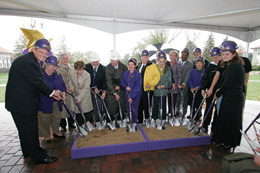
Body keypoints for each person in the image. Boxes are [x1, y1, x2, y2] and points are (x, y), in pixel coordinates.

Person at [5, 38, 61, 164]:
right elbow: (38, 81)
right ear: (34, 50)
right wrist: (52, 93)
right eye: (41, 52)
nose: (44, 55)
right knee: (30, 130)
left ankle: (28, 152)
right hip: (22, 104)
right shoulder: (27, 62)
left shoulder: (32, 61)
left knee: (24, 130)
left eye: (46, 53)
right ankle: (39, 157)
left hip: (21, 104)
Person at [213, 40, 245, 151]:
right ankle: (226, 140)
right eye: (223, 54)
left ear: (234, 54)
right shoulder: (233, 65)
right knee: (227, 119)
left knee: (229, 120)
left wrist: (218, 92)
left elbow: (228, 83)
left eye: (227, 54)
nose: (224, 56)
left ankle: (228, 142)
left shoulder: (233, 66)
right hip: (233, 96)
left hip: (232, 97)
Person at [38, 56, 66, 142]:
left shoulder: (58, 75)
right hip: (44, 101)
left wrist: (63, 95)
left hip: (57, 101)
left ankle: (56, 131)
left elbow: (62, 86)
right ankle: (46, 136)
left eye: (55, 67)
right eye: (52, 66)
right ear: (46, 65)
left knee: (56, 117)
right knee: (45, 119)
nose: (54, 69)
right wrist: (53, 92)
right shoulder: (40, 75)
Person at [201, 47, 222, 134]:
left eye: (216, 57)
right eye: (213, 57)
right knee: (208, 109)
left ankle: (215, 127)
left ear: (220, 56)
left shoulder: (224, 65)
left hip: (221, 91)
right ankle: (205, 125)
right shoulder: (210, 66)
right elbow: (205, 78)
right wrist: (203, 88)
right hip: (210, 91)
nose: (214, 59)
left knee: (218, 110)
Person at [136, 50, 160, 123]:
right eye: (142, 57)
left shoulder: (152, 65)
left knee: (147, 105)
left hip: (147, 89)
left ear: (148, 57)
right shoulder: (139, 65)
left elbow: (157, 77)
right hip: (139, 89)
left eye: (145, 57)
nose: (143, 58)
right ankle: (140, 120)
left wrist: (151, 84)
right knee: (139, 105)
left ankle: (147, 119)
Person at [68, 61, 93, 125]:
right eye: (78, 70)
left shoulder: (87, 75)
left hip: (85, 96)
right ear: (75, 69)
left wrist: (79, 98)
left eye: (81, 70)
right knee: (78, 114)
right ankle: (80, 128)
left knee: (86, 113)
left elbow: (86, 88)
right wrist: (71, 88)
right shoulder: (71, 72)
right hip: (76, 94)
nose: (80, 72)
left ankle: (87, 127)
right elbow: (70, 81)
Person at [85, 52, 107, 125]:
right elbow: (86, 79)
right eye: (93, 62)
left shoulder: (103, 68)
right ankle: (90, 120)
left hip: (99, 90)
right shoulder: (86, 67)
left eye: (96, 62)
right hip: (88, 89)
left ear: (99, 61)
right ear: (90, 61)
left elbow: (104, 81)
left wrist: (104, 91)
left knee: (98, 105)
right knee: (89, 105)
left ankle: (98, 120)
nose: (95, 63)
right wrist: (93, 87)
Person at [105, 50, 128, 121]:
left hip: (121, 89)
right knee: (112, 108)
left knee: (122, 106)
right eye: (111, 60)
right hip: (111, 91)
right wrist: (114, 93)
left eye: (114, 60)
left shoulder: (124, 67)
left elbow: (126, 79)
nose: (112, 62)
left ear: (118, 60)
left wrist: (120, 86)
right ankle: (111, 121)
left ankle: (122, 120)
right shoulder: (108, 68)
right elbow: (109, 82)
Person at [56, 53, 75, 131]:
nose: (66, 60)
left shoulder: (72, 67)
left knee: (71, 108)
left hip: (71, 92)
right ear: (61, 59)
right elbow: (57, 81)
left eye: (67, 58)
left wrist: (72, 88)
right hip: (62, 91)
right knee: (62, 110)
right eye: (64, 58)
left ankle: (71, 123)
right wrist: (65, 89)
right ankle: (63, 125)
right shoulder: (57, 68)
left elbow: (73, 79)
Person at [120, 58, 142, 124]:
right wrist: (125, 87)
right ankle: (130, 121)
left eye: (132, 64)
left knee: (134, 109)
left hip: (135, 96)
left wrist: (132, 97)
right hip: (127, 94)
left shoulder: (138, 75)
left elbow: (138, 87)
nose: (130, 66)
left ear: (135, 65)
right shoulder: (125, 73)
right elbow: (122, 82)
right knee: (128, 108)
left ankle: (134, 122)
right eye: (129, 64)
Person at [152, 51, 172, 121]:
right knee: (155, 105)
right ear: (157, 60)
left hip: (164, 91)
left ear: (165, 61)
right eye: (160, 61)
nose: (161, 63)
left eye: (163, 62)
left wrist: (164, 85)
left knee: (163, 105)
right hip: (156, 90)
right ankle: (155, 119)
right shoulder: (153, 68)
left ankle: (163, 119)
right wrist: (156, 86)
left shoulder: (168, 69)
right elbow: (152, 79)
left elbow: (170, 81)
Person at [175, 48, 193, 117]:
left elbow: (187, 75)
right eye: (183, 54)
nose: (184, 56)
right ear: (181, 54)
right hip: (177, 84)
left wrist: (183, 84)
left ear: (187, 55)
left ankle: (183, 113)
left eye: (186, 55)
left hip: (184, 85)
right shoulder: (178, 62)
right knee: (177, 99)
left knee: (184, 100)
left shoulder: (190, 65)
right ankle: (177, 111)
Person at [188, 56, 205, 121]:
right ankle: (192, 114)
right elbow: (190, 80)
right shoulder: (192, 71)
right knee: (192, 103)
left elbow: (204, 81)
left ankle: (199, 115)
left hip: (199, 90)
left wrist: (199, 87)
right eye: (197, 63)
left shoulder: (204, 71)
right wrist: (191, 87)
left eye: (200, 63)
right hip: (192, 90)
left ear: (202, 64)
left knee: (198, 104)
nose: (198, 64)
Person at [168, 50, 181, 116]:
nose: (172, 56)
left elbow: (179, 75)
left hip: (175, 83)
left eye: (174, 55)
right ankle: (170, 111)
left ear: (176, 57)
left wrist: (178, 83)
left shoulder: (178, 64)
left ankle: (173, 111)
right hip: (168, 83)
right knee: (169, 98)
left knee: (174, 99)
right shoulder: (167, 64)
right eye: (171, 55)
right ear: (169, 56)